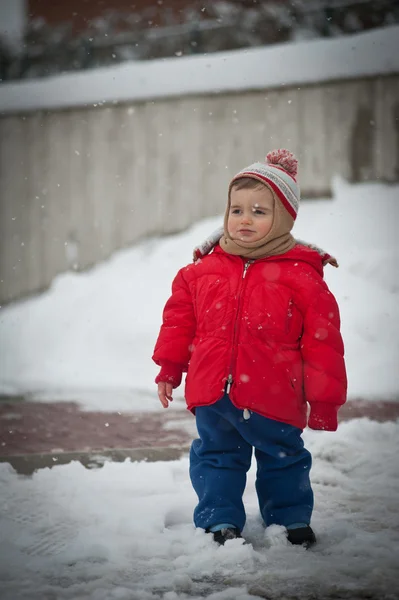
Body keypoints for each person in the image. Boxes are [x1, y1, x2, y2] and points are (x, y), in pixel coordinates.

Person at [152, 149, 347, 547]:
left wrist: (324, 403)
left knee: (284, 460)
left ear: (284, 219)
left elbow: (324, 347)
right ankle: (219, 519)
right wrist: (170, 367)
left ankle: (290, 519)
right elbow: (178, 323)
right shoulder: (199, 272)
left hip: (275, 395)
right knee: (216, 458)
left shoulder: (303, 278)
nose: (245, 219)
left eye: (259, 212)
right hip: (213, 393)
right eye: (237, 210)